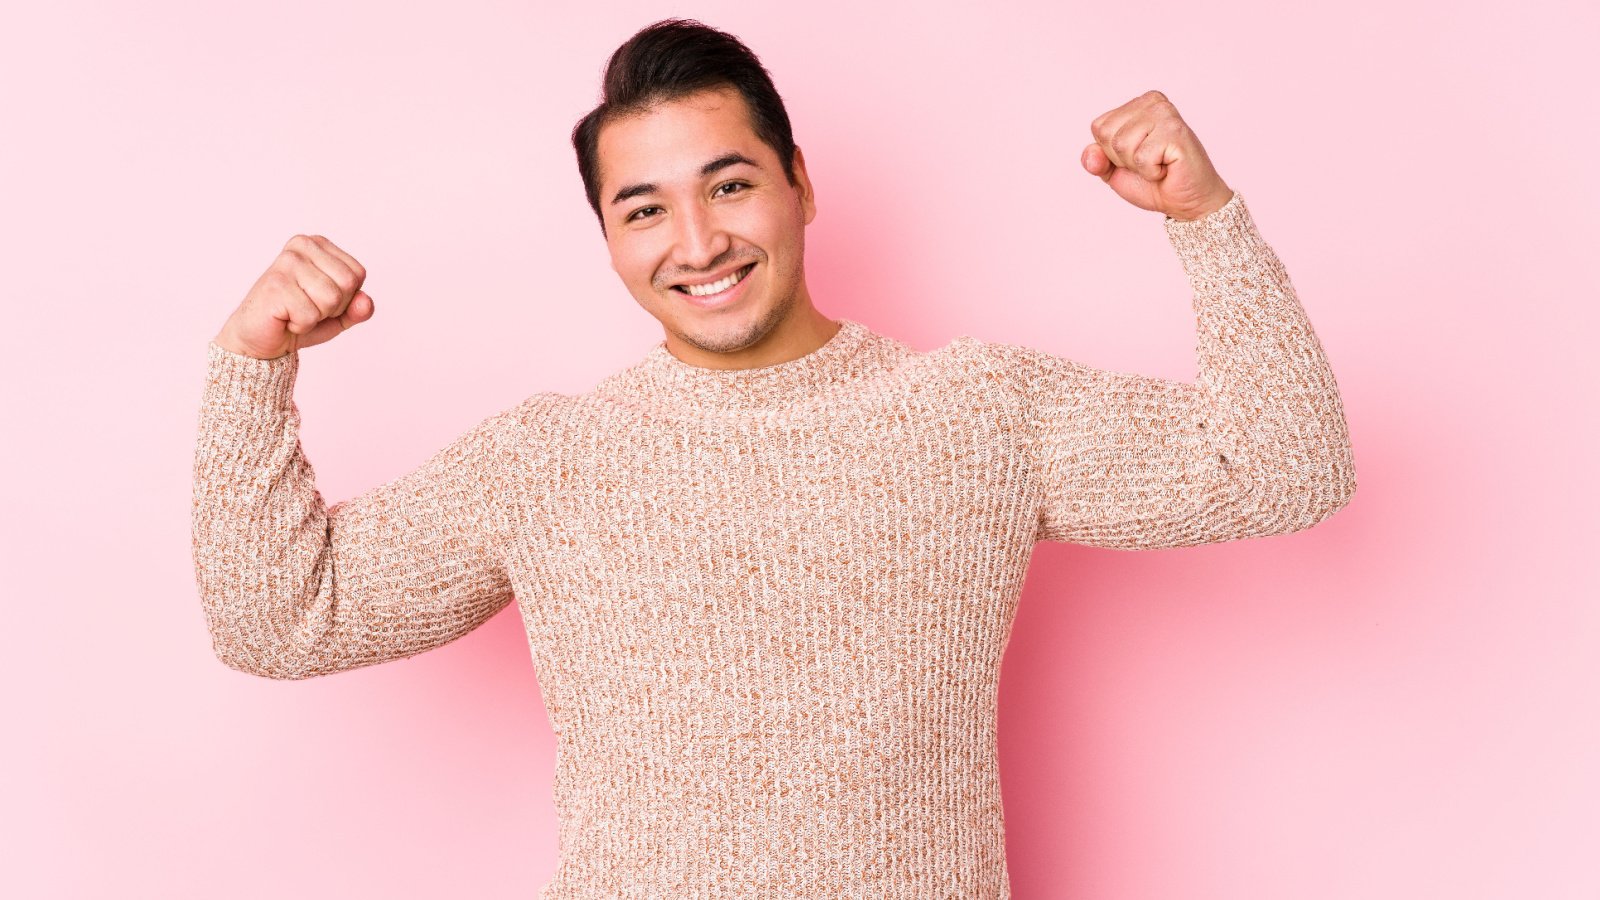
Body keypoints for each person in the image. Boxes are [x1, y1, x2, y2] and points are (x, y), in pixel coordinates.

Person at [192, 17, 1356, 898]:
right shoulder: (552, 460)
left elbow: (1285, 465)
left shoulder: (973, 412)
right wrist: (253, 365)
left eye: (730, 184)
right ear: (607, 241)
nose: (696, 243)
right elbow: (279, 621)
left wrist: (1205, 219)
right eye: (643, 209)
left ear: (800, 184)